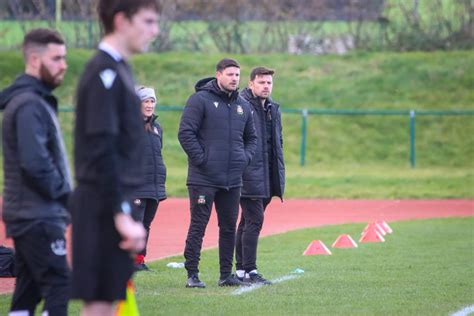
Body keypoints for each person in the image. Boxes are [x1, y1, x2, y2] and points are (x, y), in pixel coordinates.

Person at [70, 1, 160, 315]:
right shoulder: (103, 72)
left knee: (108, 303)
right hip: (101, 204)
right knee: (98, 305)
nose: (154, 30)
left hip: (112, 203)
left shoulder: (120, 69)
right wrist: (121, 212)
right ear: (121, 20)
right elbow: (100, 148)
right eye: (148, 21)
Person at [0, 28, 71, 316]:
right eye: (56, 58)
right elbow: (35, 163)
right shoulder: (29, 103)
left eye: (64, 58)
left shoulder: (34, 100)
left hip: (32, 212)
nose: (63, 65)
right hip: (37, 214)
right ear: (33, 59)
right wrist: (68, 197)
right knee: (60, 284)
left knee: (27, 293)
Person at [178, 58, 258, 288]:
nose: (234, 79)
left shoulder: (243, 105)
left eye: (237, 75)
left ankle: (226, 275)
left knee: (229, 227)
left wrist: (245, 158)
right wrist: (203, 159)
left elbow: (251, 138)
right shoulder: (199, 100)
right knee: (198, 225)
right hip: (203, 178)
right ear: (218, 75)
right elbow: (186, 134)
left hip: (233, 179)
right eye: (230, 74)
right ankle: (192, 273)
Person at [235, 67, 285, 285]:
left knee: (246, 221)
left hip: (267, 175)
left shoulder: (273, 108)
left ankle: (240, 271)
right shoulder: (241, 106)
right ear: (251, 83)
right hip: (248, 174)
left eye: (269, 83)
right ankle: (251, 270)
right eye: (262, 82)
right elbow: (236, 140)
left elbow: (277, 142)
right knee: (254, 220)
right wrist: (243, 165)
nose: (266, 86)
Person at [132, 86, 167, 271]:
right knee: (135, 223)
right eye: (146, 101)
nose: (150, 105)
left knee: (146, 224)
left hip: (154, 185)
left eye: (152, 101)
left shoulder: (156, 128)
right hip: (136, 185)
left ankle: (139, 260)